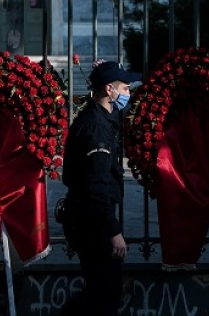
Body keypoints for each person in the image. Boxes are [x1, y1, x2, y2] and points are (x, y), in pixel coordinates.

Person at [58, 60, 142, 316]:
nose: (128, 93)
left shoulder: (97, 117)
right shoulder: (96, 129)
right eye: (125, 88)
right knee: (106, 293)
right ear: (109, 89)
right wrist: (113, 230)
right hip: (92, 221)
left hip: (87, 218)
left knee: (102, 290)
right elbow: (96, 186)